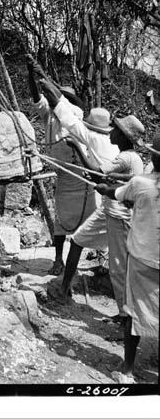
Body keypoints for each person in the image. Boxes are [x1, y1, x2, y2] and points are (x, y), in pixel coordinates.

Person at [49, 111, 144, 316]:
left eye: (116, 130)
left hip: (119, 216)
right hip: (109, 211)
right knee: (77, 240)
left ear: (123, 137)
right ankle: (64, 290)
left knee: (118, 269)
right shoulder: (131, 158)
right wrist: (112, 178)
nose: (112, 132)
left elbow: (95, 171)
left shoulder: (125, 157)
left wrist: (77, 149)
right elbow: (125, 177)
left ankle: (125, 317)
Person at [96, 131, 159, 383]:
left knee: (133, 312)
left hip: (143, 260)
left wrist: (103, 188)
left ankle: (127, 370)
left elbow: (117, 194)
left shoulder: (141, 183)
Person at [27, 55, 96, 275]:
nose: (54, 98)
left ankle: (102, 259)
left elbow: (58, 100)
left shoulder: (75, 114)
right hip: (64, 176)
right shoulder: (50, 115)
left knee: (93, 216)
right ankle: (58, 260)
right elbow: (37, 96)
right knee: (60, 221)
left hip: (82, 176)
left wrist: (42, 72)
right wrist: (31, 73)